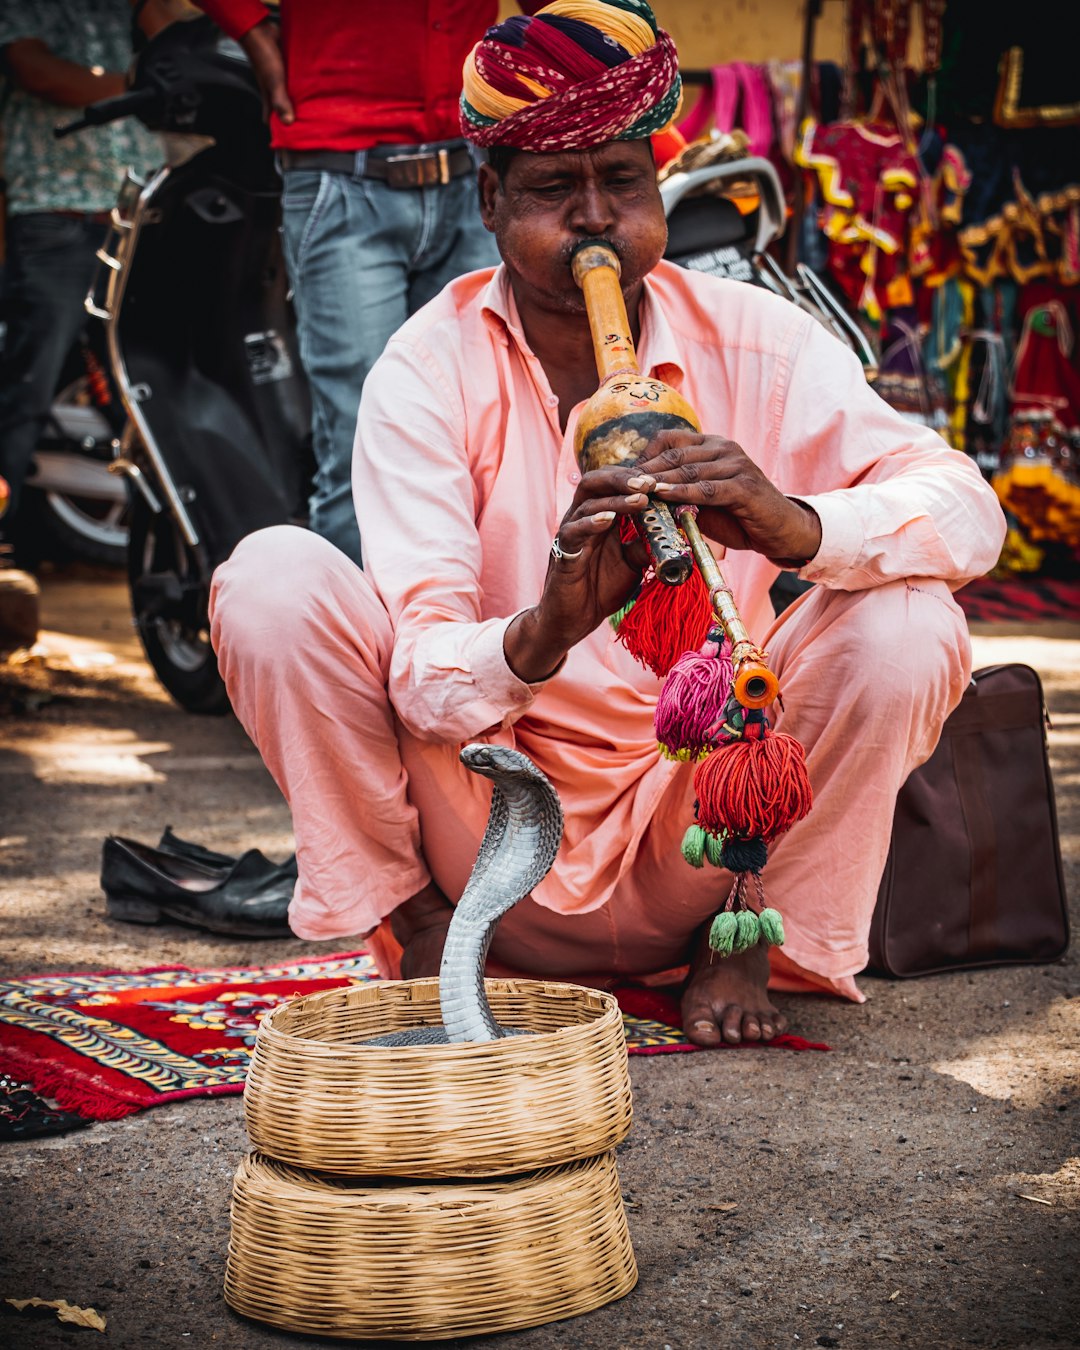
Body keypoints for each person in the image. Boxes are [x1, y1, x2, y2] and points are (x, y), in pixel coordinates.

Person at [208, 0, 1006, 1046]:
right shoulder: (426, 366)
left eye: (622, 183)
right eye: (553, 189)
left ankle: (748, 942)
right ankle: (423, 929)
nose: (594, 218)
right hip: (491, 838)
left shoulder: (757, 339)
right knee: (272, 579)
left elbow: (968, 513)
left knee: (908, 623)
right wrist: (542, 630)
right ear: (490, 202)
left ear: (656, 189)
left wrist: (791, 522)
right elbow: (421, 679)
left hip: (709, 834)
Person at [193, 0, 541, 566]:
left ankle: (475, 643)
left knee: (488, 429)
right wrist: (253, 32)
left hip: (474, 168)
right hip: (340, 174)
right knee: (364, 438)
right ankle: (357, 651)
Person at [0, 0, 160, 557]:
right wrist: (141, 83)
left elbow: (174, 41)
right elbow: (36, 71)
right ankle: (5, 539)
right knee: (25, 387)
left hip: (134, 215)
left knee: (146, 384)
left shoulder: (126, 6)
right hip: (57, 216)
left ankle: (164, 541)